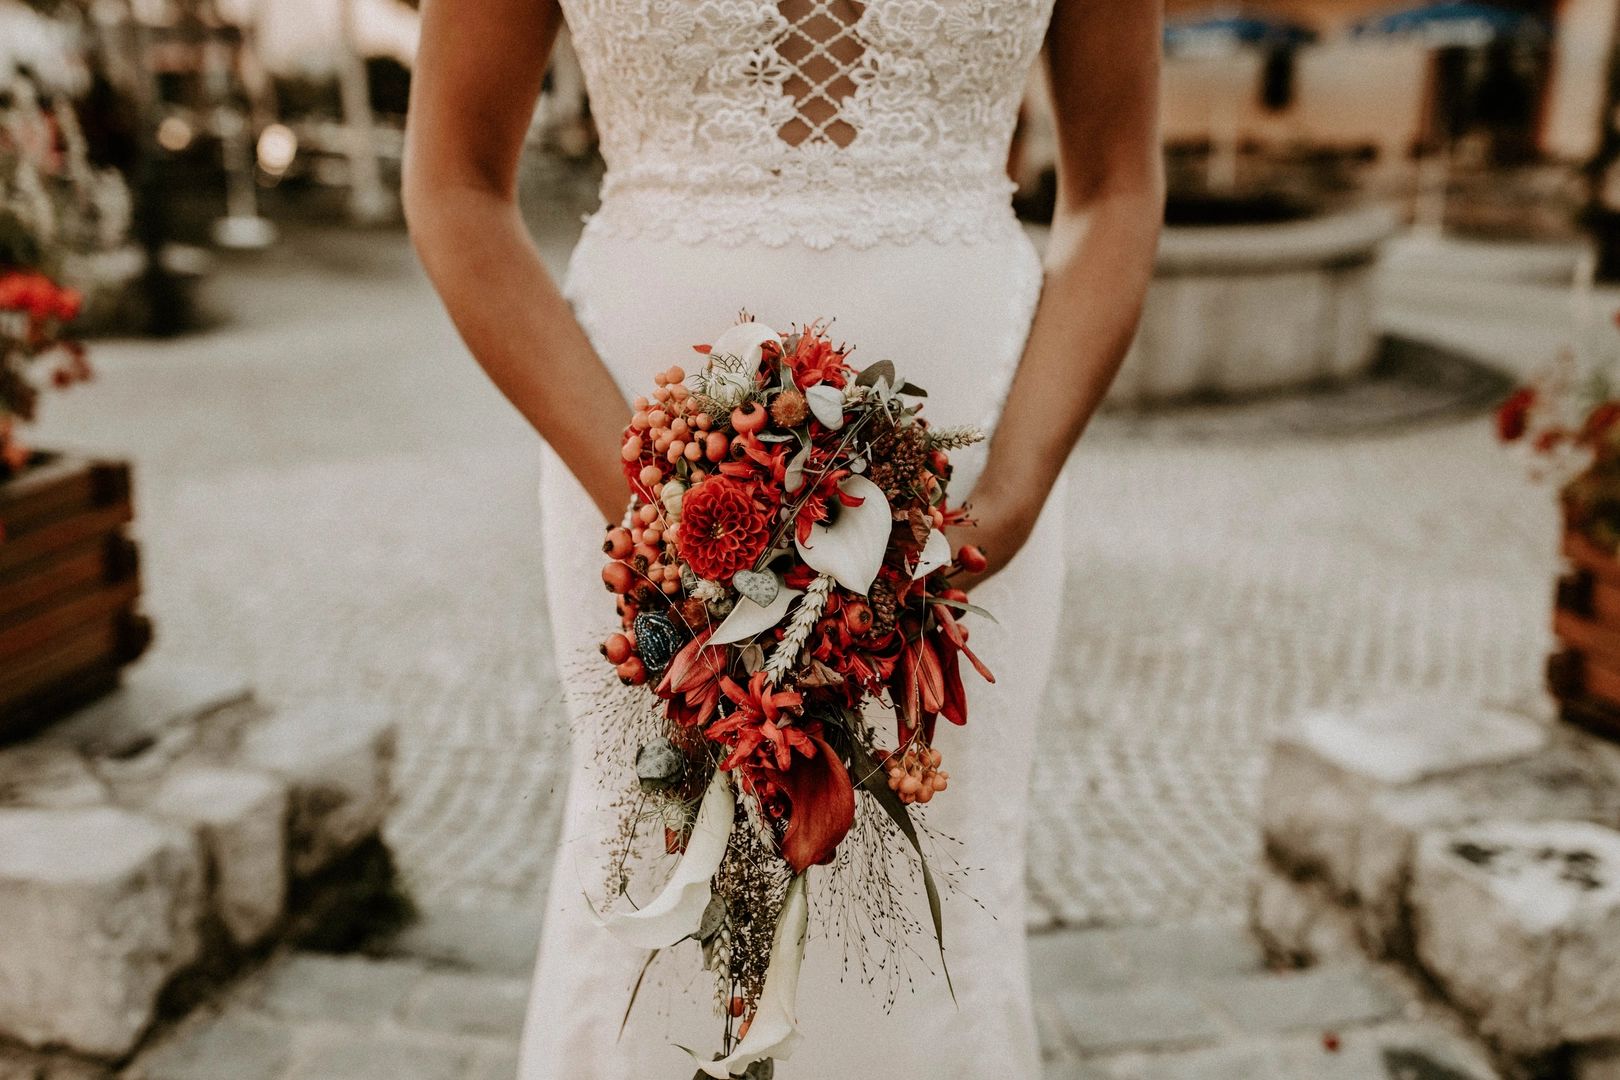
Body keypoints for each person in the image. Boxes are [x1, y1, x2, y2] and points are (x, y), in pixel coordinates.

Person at [403, 1, 1163, 1075]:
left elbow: (1120, 184)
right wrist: (654, 507)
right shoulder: (645, 492)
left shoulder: (1002, 497)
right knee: (655, 856)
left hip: (975, 481)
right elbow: (454, 184)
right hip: (633, 451)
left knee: (943, 863)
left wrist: (1020, 490)